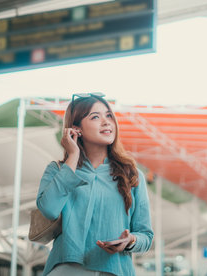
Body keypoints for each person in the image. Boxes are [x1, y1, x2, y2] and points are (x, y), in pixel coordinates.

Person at [37, 93, 153, 276]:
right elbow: (49, 210)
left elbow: (146, 236)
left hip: (115, 270)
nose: (106, 122)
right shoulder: (58, 170)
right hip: (66, 270)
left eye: (108, 116)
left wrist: (129, 241)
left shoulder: (132, 175)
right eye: (95, 117)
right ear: (76, 128)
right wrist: (73, 157)